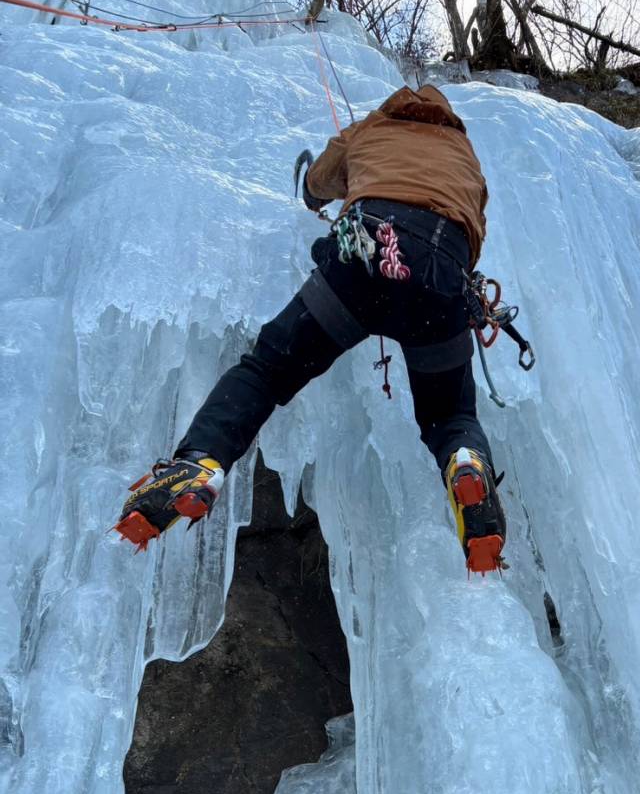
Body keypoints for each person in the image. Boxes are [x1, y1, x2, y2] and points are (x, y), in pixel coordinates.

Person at [115, 85, 506, 574]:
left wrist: (313, 191)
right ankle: (466, 463)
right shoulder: (463, 152)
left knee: (267, 370)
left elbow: (320, 182)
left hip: (361, 258)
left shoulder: (373, 127)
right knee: (449, 416)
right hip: (441, 275)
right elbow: (475, 228)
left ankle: (199, 462)